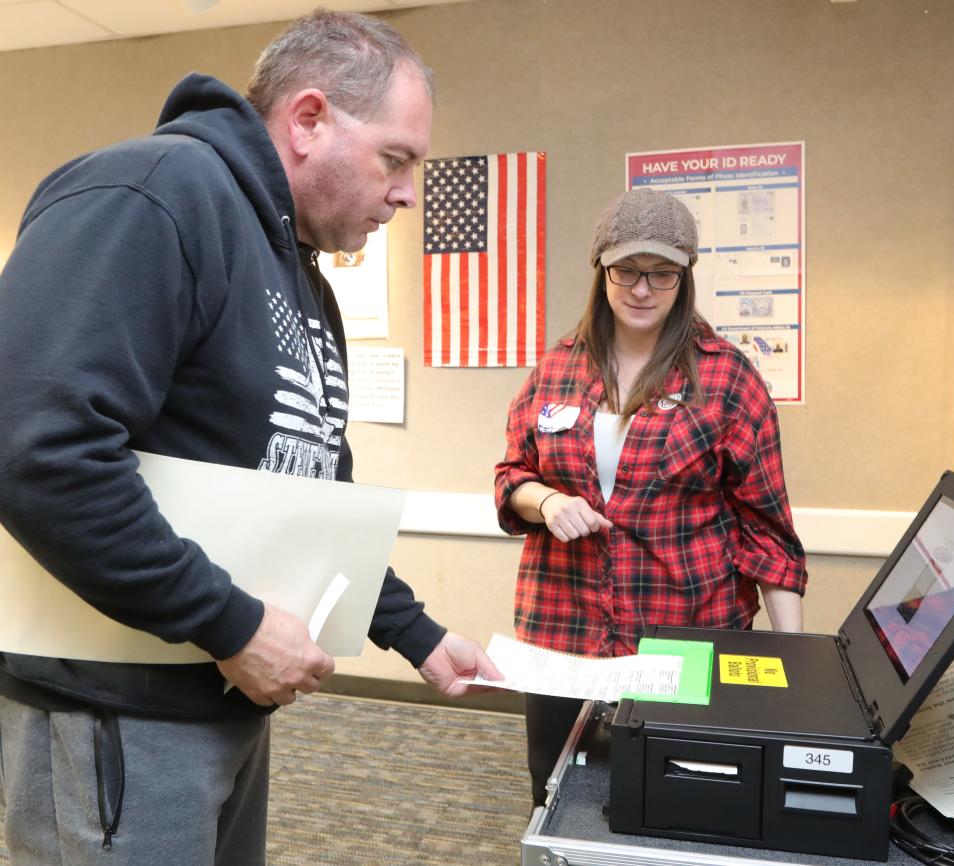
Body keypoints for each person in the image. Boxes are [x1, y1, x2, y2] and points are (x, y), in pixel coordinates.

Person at [0, 8, 499, 865]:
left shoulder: (298, 273)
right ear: (308, 121)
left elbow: (309, 498)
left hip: (218, 697)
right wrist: (229, 622)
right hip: (122, 710)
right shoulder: (154, 194)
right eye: (397, 158)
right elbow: (36, 447)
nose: (409, 192)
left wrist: (413, 633)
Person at [493, 187, 807, 806]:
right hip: (562, 629)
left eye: (662, 274)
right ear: (602, 272)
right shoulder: (557, 367)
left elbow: (768, 534)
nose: (642, 289)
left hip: (681, 633)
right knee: (555, 797)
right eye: (627, 271)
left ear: (684, 277)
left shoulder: (726, 377)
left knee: (675, 801)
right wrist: (547, 503)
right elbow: (512, 476)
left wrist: (790, 662)